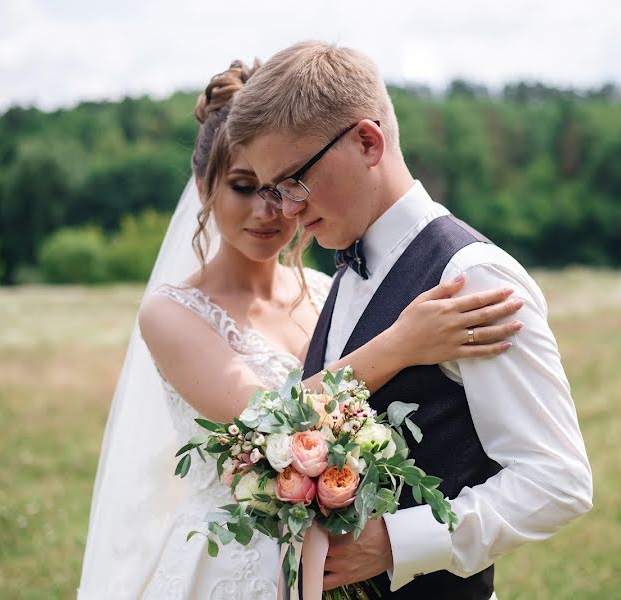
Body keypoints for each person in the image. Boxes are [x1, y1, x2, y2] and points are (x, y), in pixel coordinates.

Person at [77, 60, 522, 600]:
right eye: (245, 187)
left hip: (338, 561)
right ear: (203, 186)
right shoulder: (171, 313)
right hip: (231, 562)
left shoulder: (326, 290)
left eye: (283, 186)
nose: (270, 211)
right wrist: (403, 343)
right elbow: (263, 424)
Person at [225, 42, 594, 600]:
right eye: (277, 190)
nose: (288, 209)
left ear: (367, 141)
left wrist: (399, 542)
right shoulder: (347, 266)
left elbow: (557, 480)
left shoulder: (473, 278)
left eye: (294, 180)